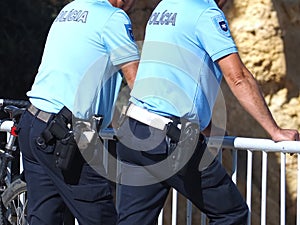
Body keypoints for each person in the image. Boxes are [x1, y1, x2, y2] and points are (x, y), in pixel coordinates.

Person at [115, 0, 300, 225]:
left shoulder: (165, 8)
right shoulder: (206, 13)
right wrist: (275, 131)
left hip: (134, 129)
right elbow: (238, 77)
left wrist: (206, 126)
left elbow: (176, 73)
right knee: (231, 214)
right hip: (168, 139)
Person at [17, 0, 139, 224]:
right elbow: (136, 80)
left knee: (45, 217)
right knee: (100, 218)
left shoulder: (71, 8)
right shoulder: (113, 18)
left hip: (34, 123)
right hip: (65, 136)